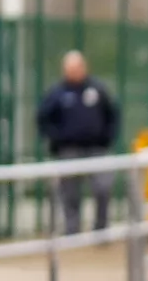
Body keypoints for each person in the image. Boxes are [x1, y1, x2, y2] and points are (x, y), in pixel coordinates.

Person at [37, 49, 119, 233]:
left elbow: (113, 114)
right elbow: (43, 118)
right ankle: (72, 230)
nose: (74, 71)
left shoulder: (97, 89)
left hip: (97, 149)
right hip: (69, 150)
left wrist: (107, 137)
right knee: (70, 193)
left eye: (77, 67)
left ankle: (101, 229)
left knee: (103, 188)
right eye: (69, 68)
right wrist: (56, 139)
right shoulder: (57, 93)